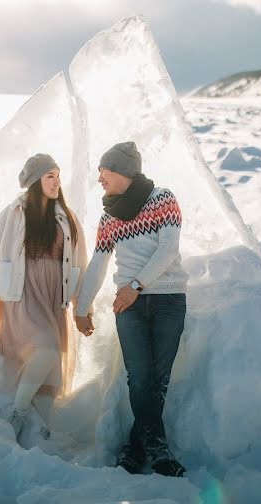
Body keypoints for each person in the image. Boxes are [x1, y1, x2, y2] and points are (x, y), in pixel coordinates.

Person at [74, 141, 188, 477]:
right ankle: (158, 450)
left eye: (103, 172)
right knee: (139, 378)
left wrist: (136, 286)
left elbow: (169, 249)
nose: (99, 179)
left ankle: (136, 447)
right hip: (130, 306)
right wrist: (83, 306)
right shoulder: (109, 215)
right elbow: (98, 262)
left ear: (121, 170)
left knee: (158, 380)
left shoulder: (163, 198)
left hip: (167, 298)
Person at [0, 153, 90, 441]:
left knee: (49, 373)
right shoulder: (13, 213)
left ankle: (42, 431)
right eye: (49, 176)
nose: (56, 182)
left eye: (58, 175)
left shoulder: (67, 217)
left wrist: (83, 305)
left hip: (53, 298)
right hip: (22, 296)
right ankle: (16, 412)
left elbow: (80, 263)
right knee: (47, 350)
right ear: (34, 182)